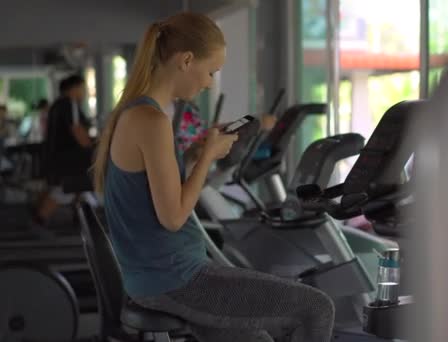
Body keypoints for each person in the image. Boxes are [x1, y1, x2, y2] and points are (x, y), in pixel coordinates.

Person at [92, 12, 334, 342]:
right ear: (186, 60)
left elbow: (154, 187)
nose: (208, 83)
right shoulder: (151, 120)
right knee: (316, 307)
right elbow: (173, 217)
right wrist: (207, 157)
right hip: (178, 279)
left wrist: (195, 152)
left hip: (164, 275)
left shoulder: (139, 113)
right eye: (210, 72)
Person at [34, 75, 95, 226]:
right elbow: (77, 130)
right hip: (68, 158)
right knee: (66, 189)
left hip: (57, 156)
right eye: (82, 88)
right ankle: (39, 219)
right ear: (74, 88)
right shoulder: (70, 103)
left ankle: (81, 219)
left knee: (77, 188)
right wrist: (92, 148)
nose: (84, 92)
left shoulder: (57, 105)